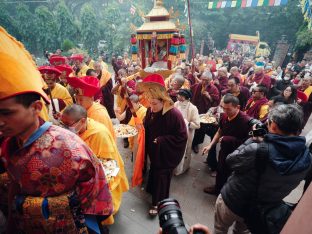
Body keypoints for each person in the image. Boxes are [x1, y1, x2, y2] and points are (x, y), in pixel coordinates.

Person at [0, 27, 113, 233]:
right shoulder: (8, 146)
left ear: (35, 108)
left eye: (6, 113)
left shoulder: (70, 145)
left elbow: (96, 189)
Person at [215, 104, 311, 234]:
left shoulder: (258, 149)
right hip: (261, 209)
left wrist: (253, 139)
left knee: (220, 228)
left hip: (233, 199)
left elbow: (231, 161)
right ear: (299, 130)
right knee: (240, 231)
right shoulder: (306, 157)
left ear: (273, 126)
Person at [61, 104, 129, 226]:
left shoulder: (99, 133)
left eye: (68, 125)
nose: (65, 128)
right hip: (82, 170)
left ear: (82, 121)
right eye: (63, 124)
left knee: (103, 203)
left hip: (99, 172)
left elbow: (107, 162)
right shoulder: (76, 128)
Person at [136, 74, 187, 216]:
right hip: (154, 149)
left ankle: (158, 203)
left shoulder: (173, 114)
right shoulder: (150, 109)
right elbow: (148, 124)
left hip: (166, 152)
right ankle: (152, 189)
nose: (151, 107)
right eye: (149, 103)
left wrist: (163, 140)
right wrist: (142, 128)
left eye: (154, 104)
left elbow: (182, 136)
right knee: (154, 170)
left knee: (161, 176)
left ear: (163, 100)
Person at [202, 94, 252, 195]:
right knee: (221, 169)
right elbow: (219, 131)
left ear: (237, 107)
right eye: (223, 108)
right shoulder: (224, 116)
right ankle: (218, 188)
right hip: (224, 150)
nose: (225, 111)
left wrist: (228, 139)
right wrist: (210, 145)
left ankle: (226, 192)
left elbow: (249, 142)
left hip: (237, 153)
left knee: (231, 173)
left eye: (228, 109)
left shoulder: (245, 121)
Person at [191, 71, 220, 153]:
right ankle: (192, 141)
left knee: (201, 128)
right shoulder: (198, 85)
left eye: (206, 80)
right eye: (203, 79)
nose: (204, 82)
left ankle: (196, 144)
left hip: (205, 111)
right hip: (196, 109)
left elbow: (216, 100)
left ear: (210, 80)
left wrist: (209, 96)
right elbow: (192, 94)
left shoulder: (214, 88)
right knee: (194, 126)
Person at [174, 89, 200, 175]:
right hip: (176, 132)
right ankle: (175, 166)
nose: (179, 97)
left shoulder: (193, 108)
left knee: (186, 150)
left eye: (182, 96)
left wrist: (186, 123)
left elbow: (197, 125)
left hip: (187, 133)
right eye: (179, 95)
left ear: (187, 98)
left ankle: (184, 167)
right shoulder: (176, 104)